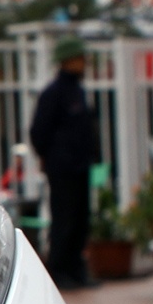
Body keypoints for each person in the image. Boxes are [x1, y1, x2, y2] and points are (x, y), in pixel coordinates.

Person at [30, 36, 101, 290]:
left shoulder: (78, 91)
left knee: (81, 220)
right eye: (80, 59)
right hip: (62, 168)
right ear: (67, 61)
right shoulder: (54, 93)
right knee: (64, 219)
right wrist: (49, 156)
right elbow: (39, 131)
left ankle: (76, 270)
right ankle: (59, 270)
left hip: (80, 166)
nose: (84, 63)